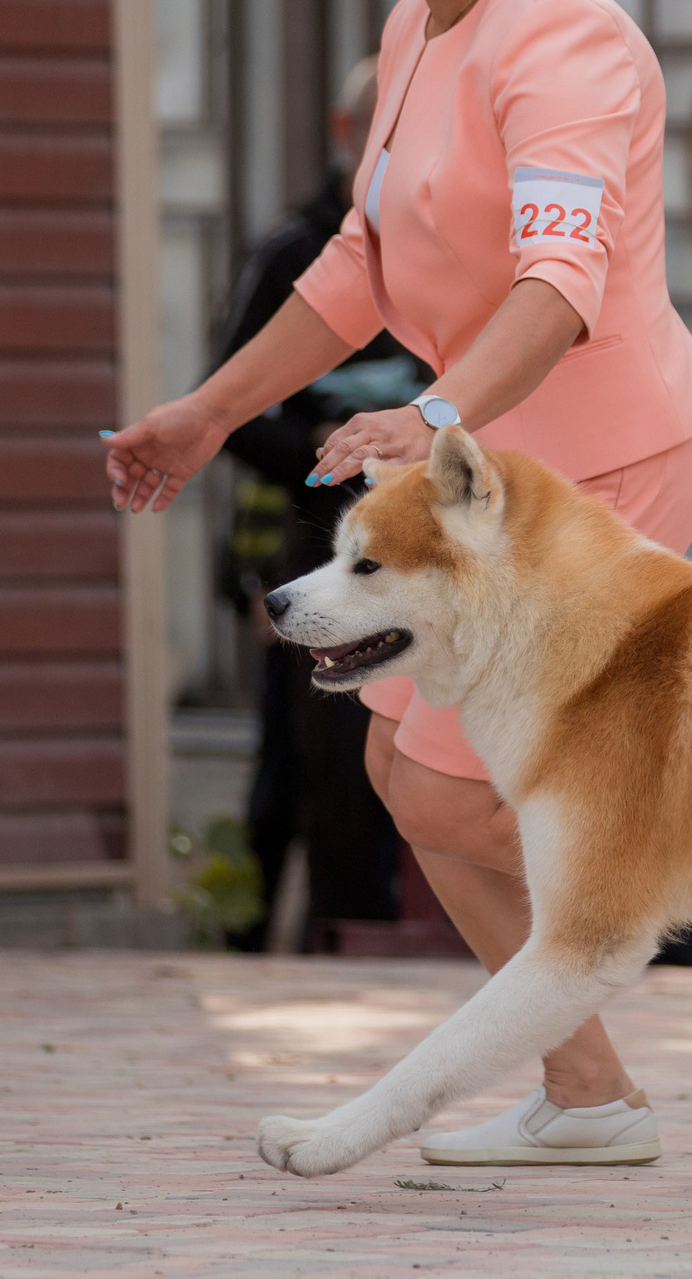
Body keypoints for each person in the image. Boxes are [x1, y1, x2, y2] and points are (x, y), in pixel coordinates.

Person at [104, 0, 692, 1160]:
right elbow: (358, 258)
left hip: (597, 470)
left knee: (469, 789)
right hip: (487, 473)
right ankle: (595, 1093)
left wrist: (433, 415)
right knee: (414, 785)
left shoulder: (566, 38)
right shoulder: (417, 24)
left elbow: (560, 285)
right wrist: (208, 409)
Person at [214, 55, 417, 953]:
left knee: (394, 749)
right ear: (346, 134)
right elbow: (230, 411)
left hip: (413, 559)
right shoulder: (292, 252)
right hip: (302, 554)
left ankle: (368, 934)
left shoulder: (440, 247)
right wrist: (335, 452)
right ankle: (262, 937)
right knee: (300, 762)